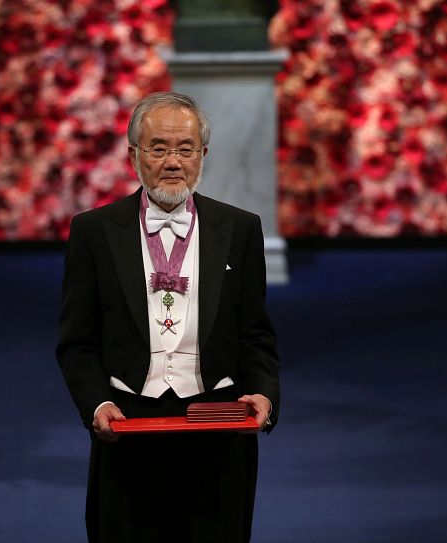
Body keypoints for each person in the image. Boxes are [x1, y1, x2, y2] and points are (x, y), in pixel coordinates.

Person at [56, 91, 280, 543]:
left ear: (203, 155)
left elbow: (255, 333)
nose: (173, 161)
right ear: (134, 155)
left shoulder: (241, 229)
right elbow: (76, 341)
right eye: (159, 148)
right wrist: (97, 405)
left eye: (185, 149)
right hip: (127, 426)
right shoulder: (93, 232)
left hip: (218, 423)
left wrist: (263, 392)